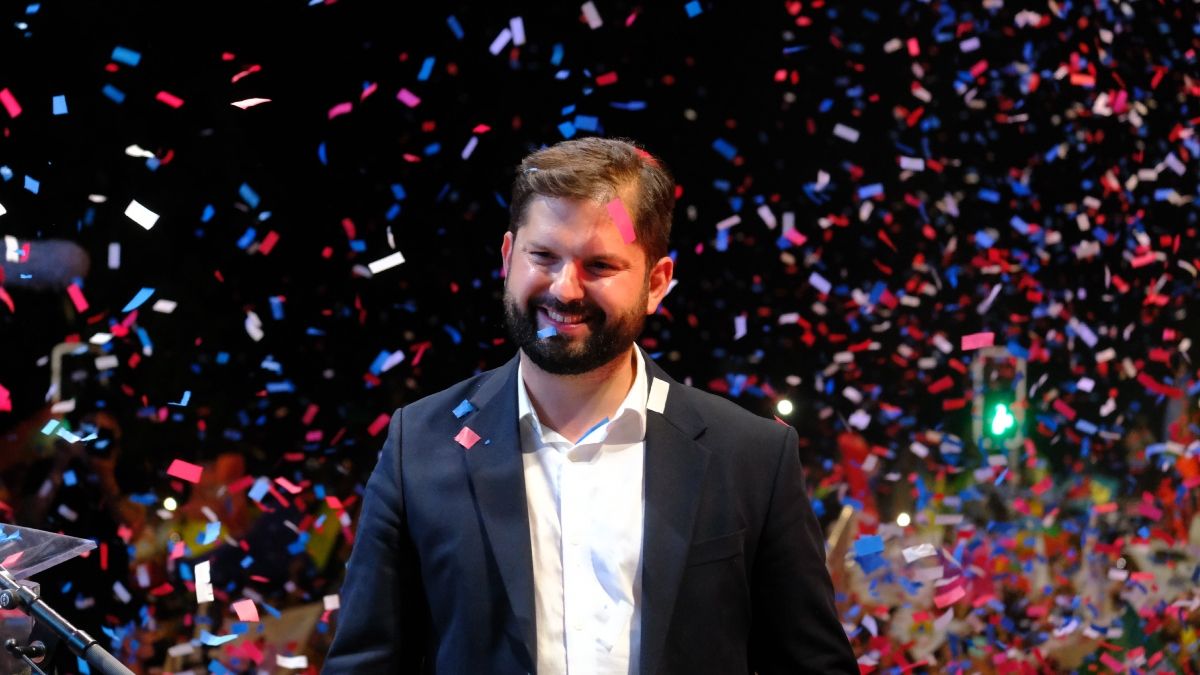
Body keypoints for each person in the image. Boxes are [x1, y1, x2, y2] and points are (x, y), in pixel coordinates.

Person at [323, 137, 856, 674]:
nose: (565, 288)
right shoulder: (419, 445)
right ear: (509, 257)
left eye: (600, 265)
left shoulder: (751, 457)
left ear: (656, 283)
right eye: (543, 256)